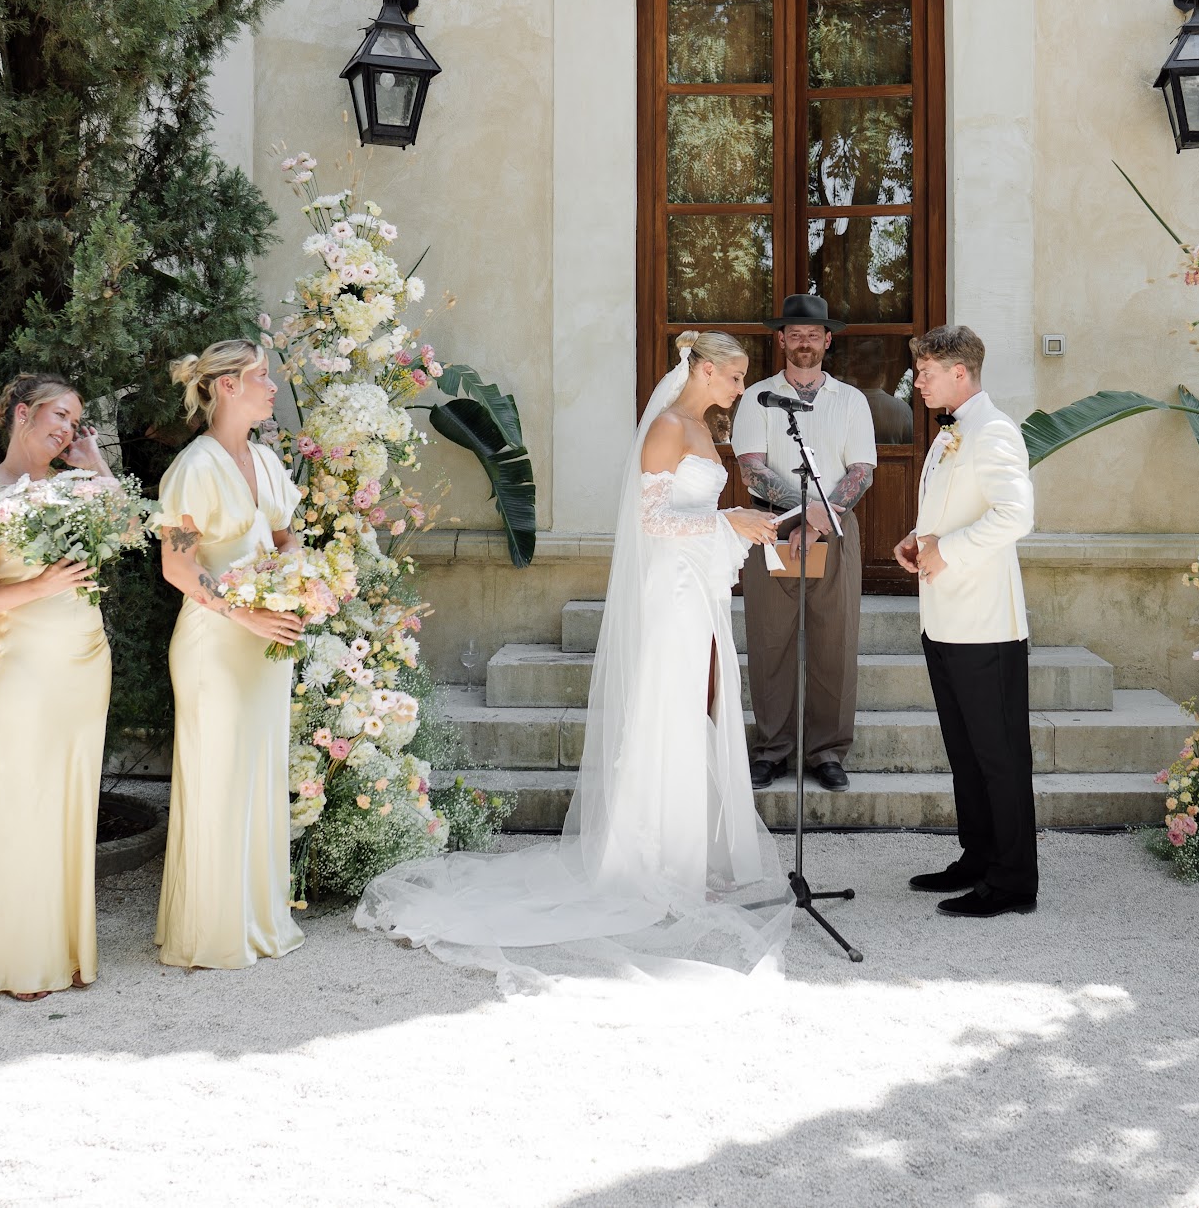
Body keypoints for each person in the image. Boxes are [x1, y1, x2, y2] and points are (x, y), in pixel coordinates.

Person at [356, 331, 789, 988]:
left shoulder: (703, 427)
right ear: (703, 370)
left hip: (697, 587)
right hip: (670, 593)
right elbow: (652, 520)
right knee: (667, 711)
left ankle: (685, 853)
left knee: (690, 710)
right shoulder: (667, 428)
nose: (741, 386)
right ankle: (650, 862)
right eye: (734, 375)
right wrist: (728, 520)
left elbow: (692, 511)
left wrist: (733, 522)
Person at [0, 373, 116, 1000]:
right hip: (24, 662)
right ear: (22, 414)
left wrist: (95, 463)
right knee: (26, 797)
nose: (67, 429)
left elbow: (135, 527)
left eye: (75, 420)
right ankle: (21, 955)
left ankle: (66, 945)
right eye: (59, 416)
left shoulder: (75, 486)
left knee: (72, 796)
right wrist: (39, 586)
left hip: (84, 655)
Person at [152, 341, 310, 970]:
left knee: (259, 774)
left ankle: (257, 919)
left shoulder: (266, 461)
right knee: (217, 776)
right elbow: (177, 565)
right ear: (225, 387)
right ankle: (211, 930)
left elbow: (283, 536)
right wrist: (243, 611)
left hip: (266, 643)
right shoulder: (193, 468)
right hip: (214, 644)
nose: (272, 387)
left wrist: (299, 580)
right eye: (260, 377)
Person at [896, 325, 1040, 918]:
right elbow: (952, 509)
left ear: (960, 372)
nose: (918, 382)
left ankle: (1013, 882)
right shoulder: (952, 430)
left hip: (985, 624)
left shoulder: (994, 429)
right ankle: (978, 857)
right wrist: (919, 538)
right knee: (967, 752)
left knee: (999, 756)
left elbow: (1016, 515)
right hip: (944, 618)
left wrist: (946, 549)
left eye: (926, 372)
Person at [733, 292, 877, 791]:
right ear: (781, 340)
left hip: (835, 528)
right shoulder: (757, 397)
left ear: (827, 340)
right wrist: (803, 511)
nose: (804, 342)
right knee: (769, 638)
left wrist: (820, 517)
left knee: (835, 639)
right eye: (795, 334)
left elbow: (861, 470)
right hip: (770, 527)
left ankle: (827, 751)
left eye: (813, 334)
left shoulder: (851, 400)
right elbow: (751, 469)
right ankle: (772, 748)